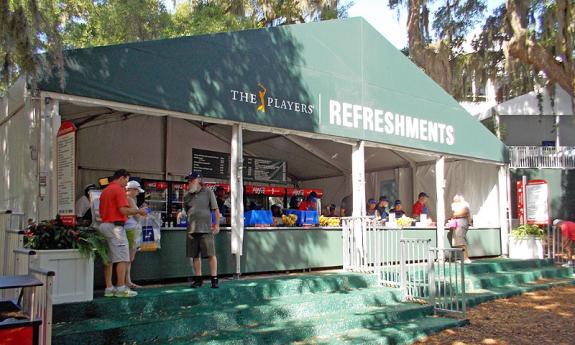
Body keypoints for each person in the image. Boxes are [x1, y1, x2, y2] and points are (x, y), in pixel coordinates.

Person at [98, 169, 147, 297]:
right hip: (116, 227)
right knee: (123, 258)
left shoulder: (105, 191)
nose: (126, 184)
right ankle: (121, 288)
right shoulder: (118, 189)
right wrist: (138, 211)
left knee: (108, 258)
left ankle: (109, 287)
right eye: (126, 180)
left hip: (104, 225)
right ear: (121, 178)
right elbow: (123, 210)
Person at [183, 172, 220, 288]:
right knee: (195, 255)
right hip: (192, 229)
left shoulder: (208, 192)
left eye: (192, 180)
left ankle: (214, 279)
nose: (189, 182)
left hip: (206, 229)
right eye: (188, 180)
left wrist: (217, 224)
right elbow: (186, 211)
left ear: (199, 180)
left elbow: (216, 210)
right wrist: (183, 214)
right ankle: (198, 279)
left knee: (211, 254)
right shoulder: (186, 196)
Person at [124, 180, 145, 289]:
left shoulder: (127, 198)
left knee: (128, 257)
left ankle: (127, 281)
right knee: (129, 257)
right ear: (131, 190)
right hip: (131, 230)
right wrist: (142, 212)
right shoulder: (129, 199)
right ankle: (127, 282)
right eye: (136, 190)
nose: (138, 193)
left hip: (130, 230)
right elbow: (137, 217)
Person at [449, 194, 472, 264]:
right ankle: (462, 257)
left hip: (462, 224)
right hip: (458, 224)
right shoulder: (457, 206)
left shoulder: (465, 205)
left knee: (461, 241)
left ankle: (466, 258)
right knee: (457, 241)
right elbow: (454, 215)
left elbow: (465, 212)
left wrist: (456, 214)